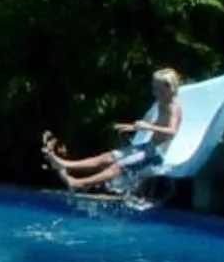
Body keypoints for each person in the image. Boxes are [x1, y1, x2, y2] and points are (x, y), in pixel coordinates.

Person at [43, 69, 182, 193]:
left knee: (119, 166)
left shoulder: (173, 107)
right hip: (147, 148)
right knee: (107, 157)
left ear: (170, 88)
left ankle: (78, 183)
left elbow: (172, 131)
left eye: (159, 90)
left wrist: (147, 127)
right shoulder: (163, 103)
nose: (155, 93)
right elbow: (161, 124)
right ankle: (64, 164)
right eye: (154, 89)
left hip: (155, 155)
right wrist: (133, 127)